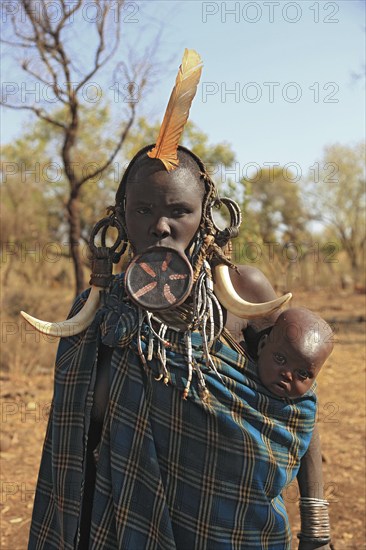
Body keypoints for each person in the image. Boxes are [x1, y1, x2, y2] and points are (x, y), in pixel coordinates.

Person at [25, 50, 333, 549]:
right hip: (126, 529)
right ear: (120, 217)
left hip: (235, 531)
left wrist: (316, 525)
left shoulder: (245, 294)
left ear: (207, 217)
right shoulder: (96, 312)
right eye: (143, 208)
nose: (161, 224)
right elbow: (75, 444)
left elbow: (298, 408)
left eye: (180, 210)